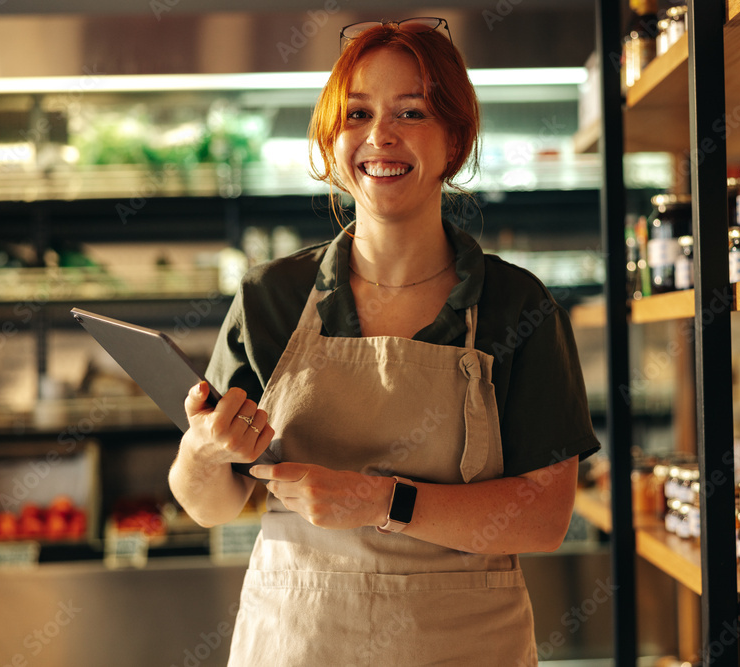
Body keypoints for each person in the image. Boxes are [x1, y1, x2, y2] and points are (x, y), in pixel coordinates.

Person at [169, 17, 599, 666]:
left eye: (412, 111)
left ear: (454, 139)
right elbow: (210, 503)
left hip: (461, 646)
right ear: (330, 139)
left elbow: (544, 515)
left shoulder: (518, 305)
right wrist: (203, 452)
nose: (380, 136)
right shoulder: (271, 298)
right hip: (299, 641)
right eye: (358, 113)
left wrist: (382, 500)